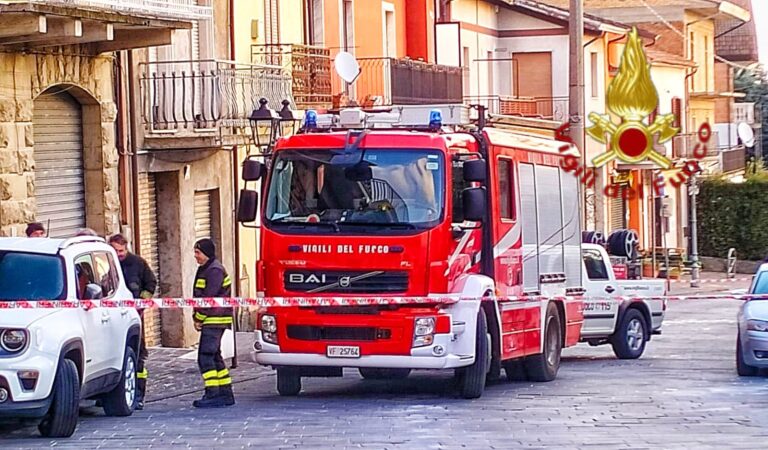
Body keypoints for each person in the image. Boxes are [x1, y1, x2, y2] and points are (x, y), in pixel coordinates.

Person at [108, 234, 157, 410]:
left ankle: (138, 394)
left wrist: (142, 304)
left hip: (134, 316)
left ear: (126, 248)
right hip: (111, 317)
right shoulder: (106, 263)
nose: (118, 254)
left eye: (121, 251)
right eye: (115, 250)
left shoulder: (138, 263)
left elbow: (151, 283)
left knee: (137, 356)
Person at [192, 238, 235, 408]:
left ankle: (212, 393)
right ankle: (225, 392)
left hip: (215, 319)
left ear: (207, 253)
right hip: (212, 318)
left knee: (205, 356)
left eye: (198, 252)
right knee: (215, 355)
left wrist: (198, 319)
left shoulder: (214, 270)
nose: (196, 256)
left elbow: (208, 299)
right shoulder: (206, 268)